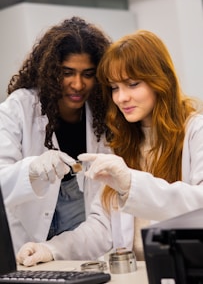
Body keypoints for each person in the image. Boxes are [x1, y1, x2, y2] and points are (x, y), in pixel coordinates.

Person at [17, 29, 203, 266]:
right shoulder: (121, 142)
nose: (121, 97)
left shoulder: (196, 131)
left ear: (161, 81)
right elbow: (102, 228)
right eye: (114, 88)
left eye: (132, 84)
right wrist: (51, 249)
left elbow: (199, 207)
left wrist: (130, 184)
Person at [0, 16, 113, 255]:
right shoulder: (19, 108)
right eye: (67, 72)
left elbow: (103, 209)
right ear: (51, 71)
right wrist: (31, 170)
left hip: (83, 233)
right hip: (25, 230)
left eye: (88, 73)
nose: (78, 84)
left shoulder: (105, 115)